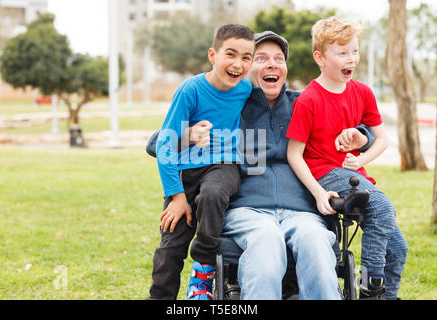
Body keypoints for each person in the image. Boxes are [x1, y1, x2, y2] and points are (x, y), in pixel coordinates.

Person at [146, 30, 374, 300]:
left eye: (279, 59)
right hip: (247, 210)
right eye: (261, 58)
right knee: (266, 241)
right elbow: (156, 142)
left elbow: (350, 122)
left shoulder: (304, 102)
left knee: (315, 240)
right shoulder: (234, 102)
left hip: (302, 211)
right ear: (248, 68)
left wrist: (363, 135)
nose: (271, 64)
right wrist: (190, 134)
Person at [286, 17, 407, 299]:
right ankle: (370, 289)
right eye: (342, 52)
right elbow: (294, 154)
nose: (351, 58)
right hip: (324, 173)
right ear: (320, 58)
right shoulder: (309, 100)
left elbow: (383, 139)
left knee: (398, 249)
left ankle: (386, 295)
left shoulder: (363, 92)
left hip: (353, 174)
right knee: (384, 209)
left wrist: (361, 159)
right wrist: (317, 192)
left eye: (354, 51)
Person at [149, 24, 255, 300]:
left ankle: (203, 269)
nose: (238, 63)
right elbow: (165, 143)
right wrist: (176, 196)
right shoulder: (190, 90)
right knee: (169, 247)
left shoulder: (246, 89)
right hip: (185, 175)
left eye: (246, 57)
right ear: (213, 55)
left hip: (224, 166)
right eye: (230, 54)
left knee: (213, 193)